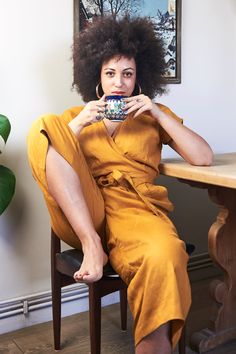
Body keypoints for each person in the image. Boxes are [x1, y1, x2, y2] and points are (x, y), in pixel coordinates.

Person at [27, 16, 213, 354]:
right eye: (110, 73)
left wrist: (157, 114)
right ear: (96, 77)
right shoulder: (74, 117)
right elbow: (49, 159)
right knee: (45, 126)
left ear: (138, 77)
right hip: (86, 209)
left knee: (166, 252)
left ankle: (153, 343)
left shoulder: (153, 114)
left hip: (138, 212)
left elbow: (202, 157)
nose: (119, 83)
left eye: (127, 74)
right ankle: (92, 246)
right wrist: (80, 124)